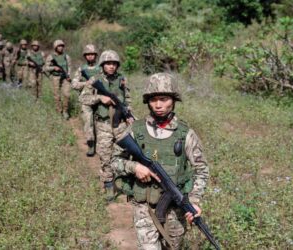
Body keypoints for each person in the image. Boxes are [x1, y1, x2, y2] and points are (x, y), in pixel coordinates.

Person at [111, 73, 209, 249]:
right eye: (153, 99)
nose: (158, 105)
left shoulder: (185, 134)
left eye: (163, 99)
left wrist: (194, 201)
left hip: (176, 211)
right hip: (144, 207)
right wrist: (134, 167)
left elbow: (201, 170)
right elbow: (114, 160)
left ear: (173, 100)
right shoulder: (136, 130)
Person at [80, 49, 132, 201]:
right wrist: (99, 98)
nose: (111, 66)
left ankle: (122, 182)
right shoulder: (94, 80)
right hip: (103, 125)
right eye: (108, 63)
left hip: (121, 124)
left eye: (114, 64)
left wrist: (129, 115)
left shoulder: (122, 79)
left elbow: (127, 100)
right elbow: (83, 99)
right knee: (105, 156)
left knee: (124, 154)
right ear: (102, 65)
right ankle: (109, 186)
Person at [71, 44, 100, 156]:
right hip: (86, 99)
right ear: (85, 56)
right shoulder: (81, 69)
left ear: (95, 55)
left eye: (92, 54)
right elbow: (74, 84)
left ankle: (100, 144)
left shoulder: (101, 68)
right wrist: (85, 83)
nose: (90, 56)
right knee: (88, 123)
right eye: (88, 54)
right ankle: (91, 145)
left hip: (99, 98)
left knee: (100, 122)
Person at [45, 40, 72, 119]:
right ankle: (59, 111)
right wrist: (54, 68)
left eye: (62, 46)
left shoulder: (66, 56)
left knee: (67, 94)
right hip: (55, 77)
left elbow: (69, 67)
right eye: (59, 46)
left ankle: (65, 111)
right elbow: (46, 68)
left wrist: (69, 75)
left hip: (65, 77)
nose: (60, 48)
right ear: (55, 47)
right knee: (57, 96)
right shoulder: (51, 57)